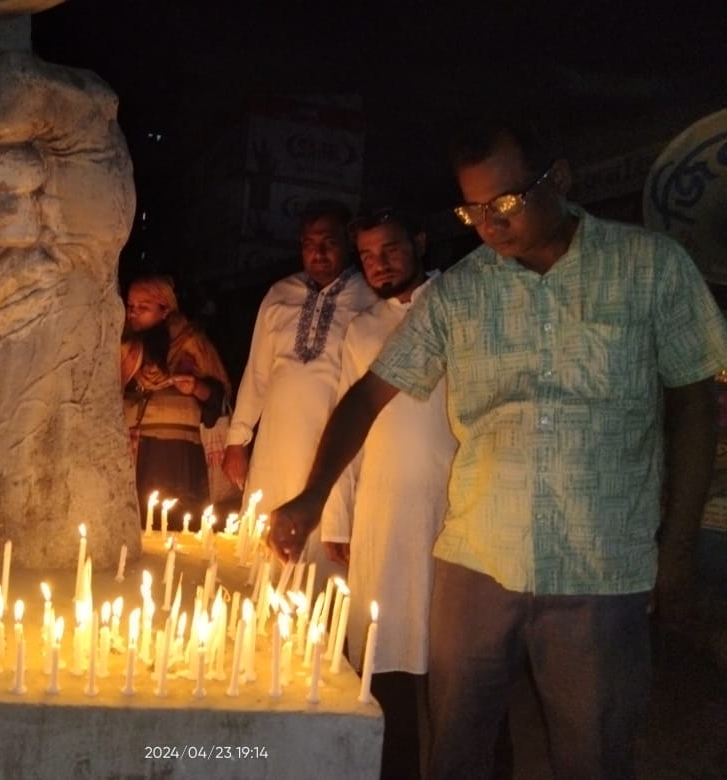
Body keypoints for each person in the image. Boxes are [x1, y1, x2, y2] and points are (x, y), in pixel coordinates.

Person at [267, 119, 727, 778]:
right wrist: (313, 496)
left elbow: (692, 402)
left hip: (600, 564)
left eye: (505, 201)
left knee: (593, 752)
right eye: (472, 208)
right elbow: (369, 394)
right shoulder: (463, 291)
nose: (489, 223)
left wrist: (677, 545)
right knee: (456, 748)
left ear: (559, 180)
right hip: (477, 559)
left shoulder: (649, 265)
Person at [321, 209, 456, 779]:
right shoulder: (360, 328)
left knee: (460, 666)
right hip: (380, 510)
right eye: (369, 255)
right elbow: (349, 421)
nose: (379, 264)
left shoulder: (460, 303)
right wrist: (337, 517)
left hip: (454, 509)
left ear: (420, 240)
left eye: (391, 249)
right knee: (386, 656)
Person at [222, 200, 376, 564]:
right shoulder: (279, 295)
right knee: (265, 554)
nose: (318, 253)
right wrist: (237, 439)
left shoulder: (369, 300)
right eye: (309, 244)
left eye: (329, 242)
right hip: (275, 445)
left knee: (323, 555)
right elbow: (258, 373)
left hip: (332, 446)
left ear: (348, 242)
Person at [123, 275, 230, 526]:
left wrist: (195, 387)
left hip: (173, 455)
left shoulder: (191, 345)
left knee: (169, 523)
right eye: (130, 307)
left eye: (143, 307)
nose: (133, 314)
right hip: (130, 450)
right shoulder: (126, 347)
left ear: (165, 311)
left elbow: (218, 399)